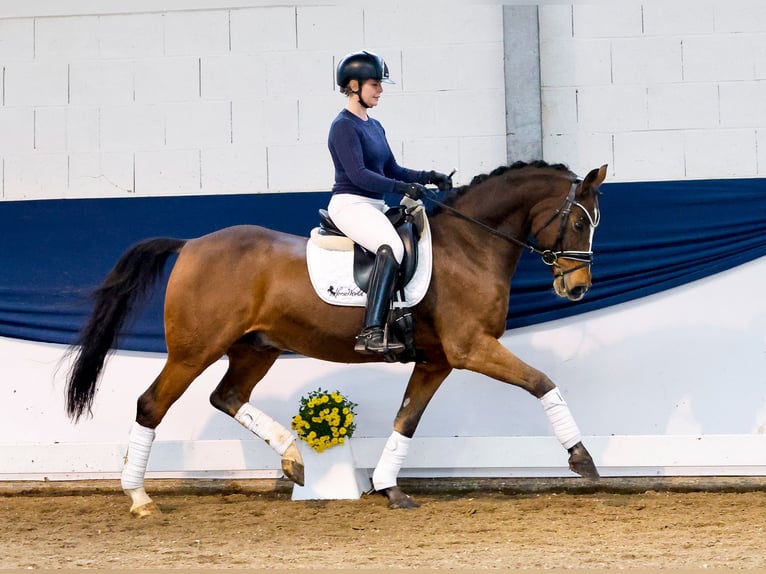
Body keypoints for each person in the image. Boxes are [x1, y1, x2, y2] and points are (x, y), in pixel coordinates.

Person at [327, 50, 453, 355]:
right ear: (354, 86)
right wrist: (402, 187)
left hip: (373, 205)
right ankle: (370, 331)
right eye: (374, 84)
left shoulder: (374, 124)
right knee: (392, 247)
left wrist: (427, 176)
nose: (380, 90)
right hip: (350, 203)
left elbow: (391, 169)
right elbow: (359, 175)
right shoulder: (343, 126)